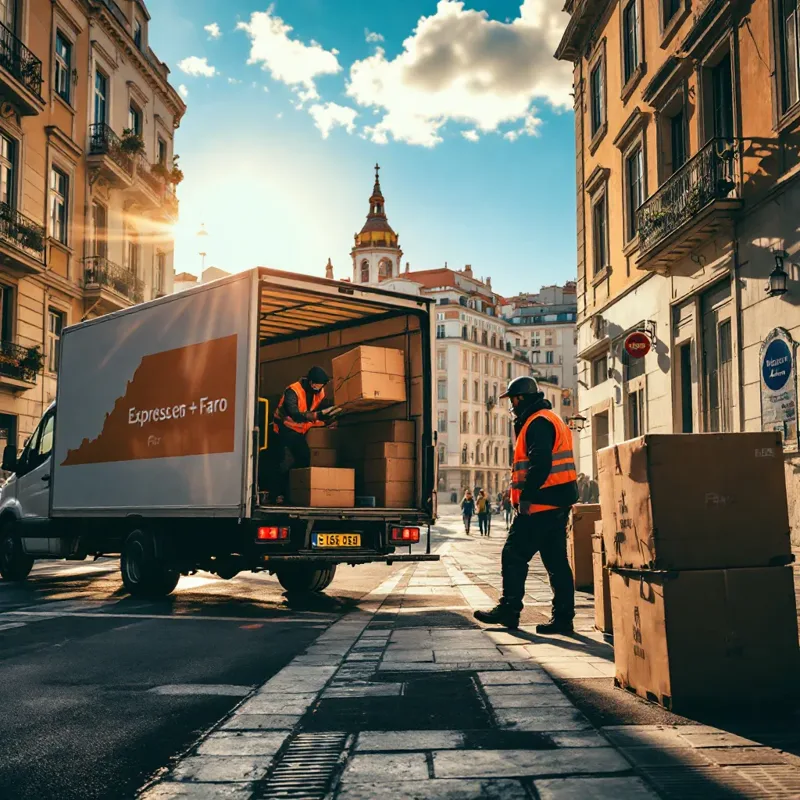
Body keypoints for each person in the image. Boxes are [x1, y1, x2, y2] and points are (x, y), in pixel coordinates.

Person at [474, 375, 578, 633]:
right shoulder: (552, 419)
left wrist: (526, 498)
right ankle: (563, 618)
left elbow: (540, 464)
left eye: (512, 400)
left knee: (513, 554)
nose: (512, 405)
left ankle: (510, 609)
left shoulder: (537, 422)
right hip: (557, 502)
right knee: (556, 563)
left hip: (540, 503)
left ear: (520, 398)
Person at [269, 366, 336, 503]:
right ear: (311, 382)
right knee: (286, 462)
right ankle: (278, 494)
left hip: (301, 430)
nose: (321, 387)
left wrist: (327, 420)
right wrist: (314, 416)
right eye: (319, 385)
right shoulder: (293, 391)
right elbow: (294, 414)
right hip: (284, 430)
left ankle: (292, 493)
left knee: (301, 459)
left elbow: (319, 409)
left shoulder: (320, 392)